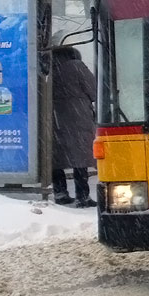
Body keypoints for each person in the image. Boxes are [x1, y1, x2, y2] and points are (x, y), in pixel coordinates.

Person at [50, 46, 97, 207]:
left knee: (56, 158)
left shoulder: (49, 69)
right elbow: (93, 90)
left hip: (53, 117)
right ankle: (82, 196)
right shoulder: (77, 66)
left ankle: (60, 193)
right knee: (80, 159)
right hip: (78, 117)